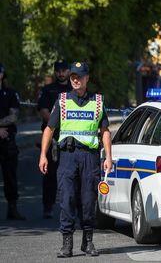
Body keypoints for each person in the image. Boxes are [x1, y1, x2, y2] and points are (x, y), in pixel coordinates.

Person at [38, 62, 113, 258]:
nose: (75, 80)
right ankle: (67, 243)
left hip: (90, 157)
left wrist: (108, 157)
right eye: (73, 76)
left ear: (87, 78)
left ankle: (88, 242)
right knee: (67, 199)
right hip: (68, 157)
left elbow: (105, 131)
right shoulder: (62, 101)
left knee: (88, 201)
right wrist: (43, 154)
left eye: (79, 76)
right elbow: (49, 129)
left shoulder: (97, 101)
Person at [37, 60, 72, 218]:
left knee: (71, 172)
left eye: (64, 70)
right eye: (58, 70)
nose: (61, 73)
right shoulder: (48, 90)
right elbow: (43, 111)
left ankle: (72, 206)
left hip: (70, 134)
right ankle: (47, 206)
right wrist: (55, 123)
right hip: (51, 135)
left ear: (68, 71)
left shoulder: (74, 89)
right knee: (50, 174)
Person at [0, 63, 25, 220]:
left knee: (10, 175)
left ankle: (12, 208)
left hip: (7, 140)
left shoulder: (9, 93)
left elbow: (14, 116)